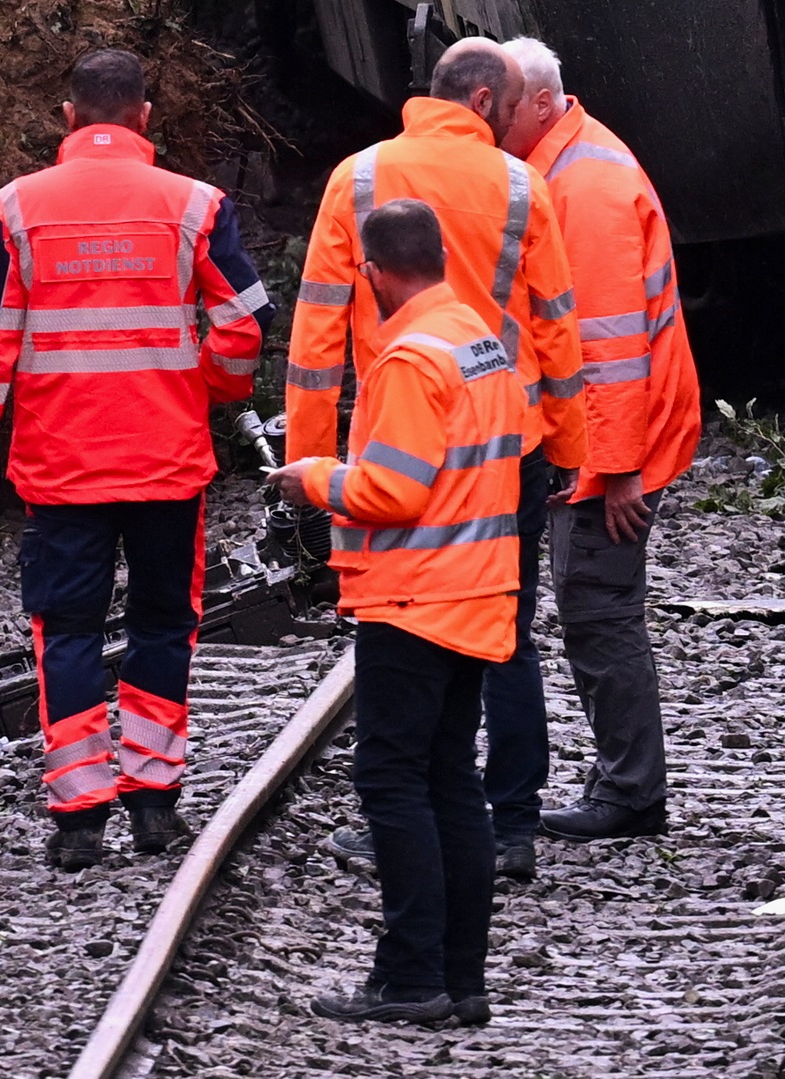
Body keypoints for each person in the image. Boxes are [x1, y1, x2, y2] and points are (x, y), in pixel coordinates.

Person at [0, 47, 273, 871]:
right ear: (144, 119)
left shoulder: (16, 209)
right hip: (168, 463)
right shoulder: (195, 204)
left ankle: (80, 815)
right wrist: (211, 389)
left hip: (65, 468)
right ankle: (155, 803)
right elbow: (244, 323)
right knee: (166, 622)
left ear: (68, 117)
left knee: (69, 630)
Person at [286, 37, 588, 881]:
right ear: (487, 103)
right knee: (506, 630)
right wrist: (568, 445)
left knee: (404, 627)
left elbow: (315, 334)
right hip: (507, 438)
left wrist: (312, 467)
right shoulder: (522, 184)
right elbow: (557, 327)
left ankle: (405, 814)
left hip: (404, 436)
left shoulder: (360, 178)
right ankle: (513, 824)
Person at [268, 198, 526, 1026]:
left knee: (393, 780)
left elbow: (394, 488)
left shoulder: (411, 358)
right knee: (451, 778)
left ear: (375, 273)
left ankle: (413, 976)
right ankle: (461, 977)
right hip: (479, 590)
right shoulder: (481, 341)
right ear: (441, 256)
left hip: (417, 599)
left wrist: (313, 478)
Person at [498, 37, 702, 840]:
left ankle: (630, 794)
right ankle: (624, 780)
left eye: (504, 104)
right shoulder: (571, 165)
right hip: (604, 440)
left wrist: (615, 471)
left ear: (542, 102)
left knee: (597, 608)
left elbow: (610, 349)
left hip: (615, 447)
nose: (491, 117)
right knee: (596, 607)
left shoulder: (580, 187)